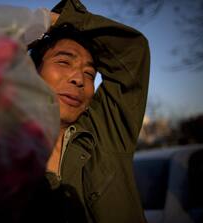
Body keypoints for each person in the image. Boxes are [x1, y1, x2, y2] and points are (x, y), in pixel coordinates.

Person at [25, 0, 150, 222]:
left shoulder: (105, 132)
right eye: (64, 62)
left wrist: (57, 21)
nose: (79, 79)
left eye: (90, 74)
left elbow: (133, 51)